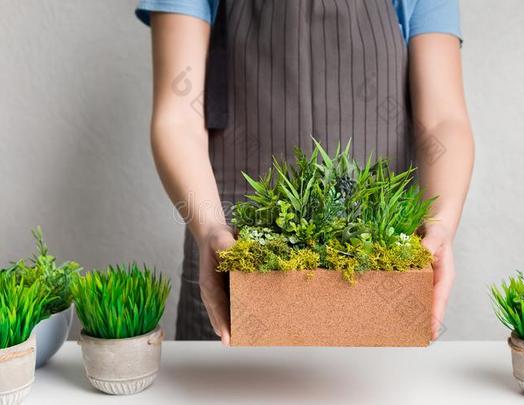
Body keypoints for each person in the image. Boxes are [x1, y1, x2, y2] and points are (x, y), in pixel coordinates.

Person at [135, 0, 474, 345]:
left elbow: (442, 120)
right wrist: (210, 229)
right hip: (231, 248)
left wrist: (441, 223)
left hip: (375, 261)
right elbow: (178, 115)